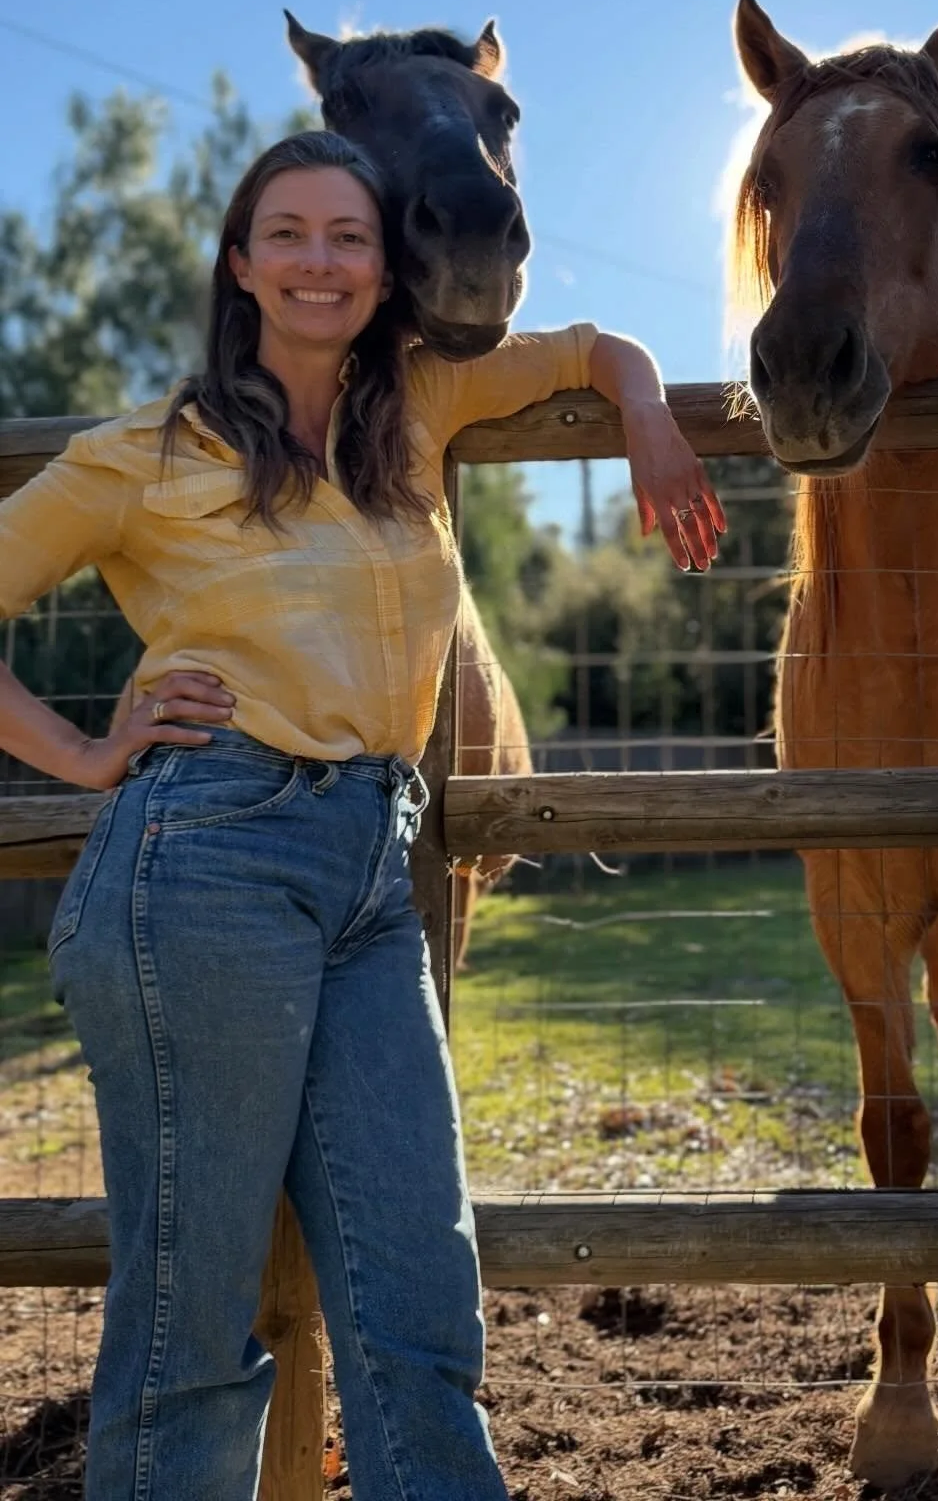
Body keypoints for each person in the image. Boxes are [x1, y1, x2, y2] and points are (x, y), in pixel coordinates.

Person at [0, 129, 725, 1501]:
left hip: (376, 878)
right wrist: (86, 755)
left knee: (419, 1301)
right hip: (202, 867)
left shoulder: (426, 404)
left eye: (348, 237)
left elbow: (591, 349)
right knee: (193, 1321)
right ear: (240, 264)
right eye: (287, 234)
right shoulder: (148, 455)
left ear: (388, 270)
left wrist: (644, 413)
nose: (318, 261)